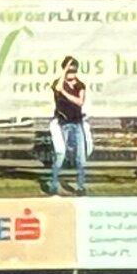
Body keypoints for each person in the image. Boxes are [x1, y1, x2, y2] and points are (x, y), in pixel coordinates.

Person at [46, 56, 89, 195]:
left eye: (74, 70)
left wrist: (65, 93)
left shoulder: (80, 85)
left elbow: (80, 101)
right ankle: (53, 184)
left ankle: (80, 186)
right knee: (61, 153)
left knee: (81, 156)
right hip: (62, 123)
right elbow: (57, 87)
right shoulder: (59, 83)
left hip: (76, 122)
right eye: (69, 71)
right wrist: (64, 72)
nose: (72, 73)